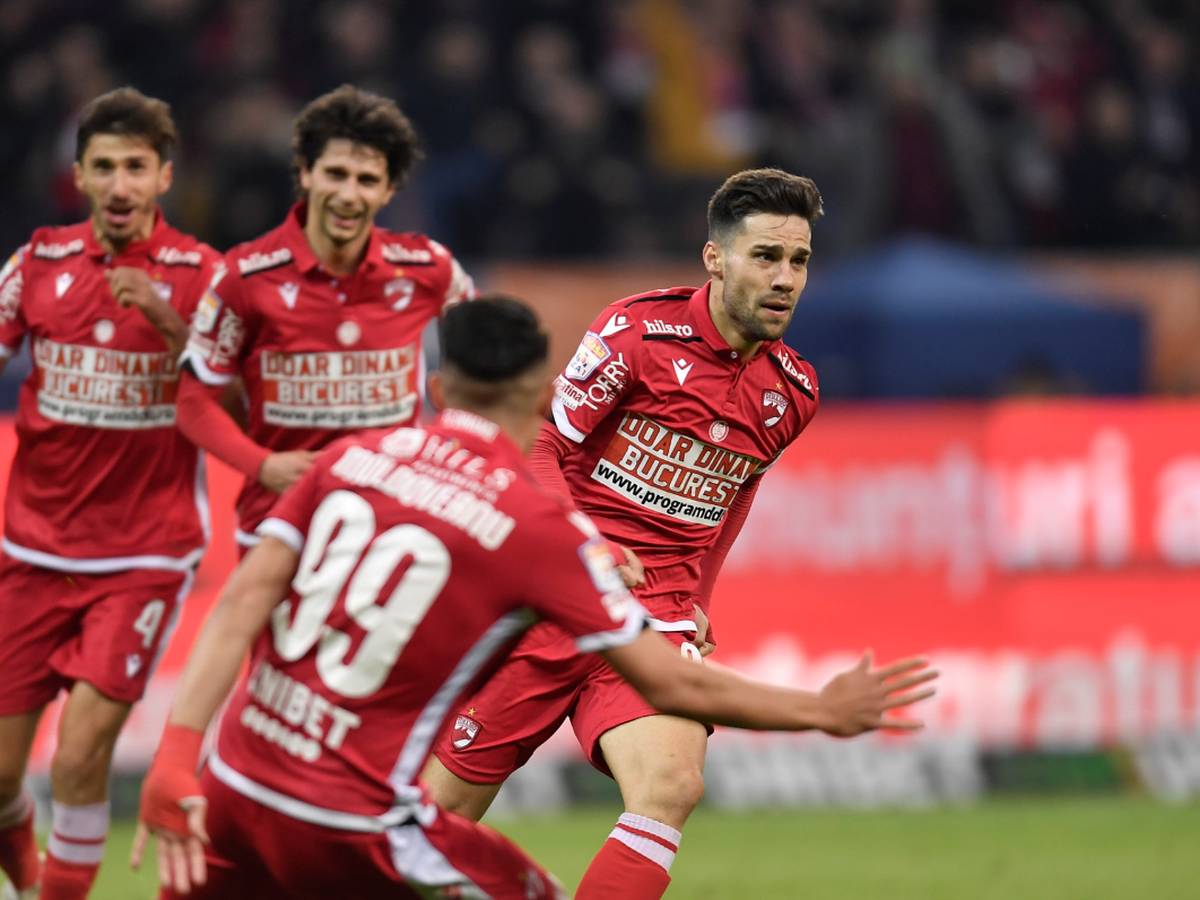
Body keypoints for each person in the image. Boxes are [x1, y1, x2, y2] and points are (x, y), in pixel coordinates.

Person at [132, 296, 936, 899]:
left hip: (234, 781)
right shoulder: (534, 529)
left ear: (438, 386)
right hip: (356, 819)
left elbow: (238, 606)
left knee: (666, 784)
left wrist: (173, 762)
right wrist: (820, 710)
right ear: (543, 395)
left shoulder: (350, 459)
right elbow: (672, 681)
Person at [422, 168, 835, 899]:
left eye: (798, 261)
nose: (784, 279)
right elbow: (542, 443)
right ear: (715, 258)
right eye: (766, 256)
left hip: (654, 616)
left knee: (672, 785)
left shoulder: (792, 392)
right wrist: (583, 544)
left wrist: (699, 598)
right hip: (548, 599)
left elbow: (736, 492)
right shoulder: (638, 333)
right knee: (431, 824)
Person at [0, 87, 221, 900]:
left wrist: (172, 326)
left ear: (164, 177)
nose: (120, 184)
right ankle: (30, 873)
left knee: (80, 756)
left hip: (143, 556)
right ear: (80, 175)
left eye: (136, 166)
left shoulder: (204, 277)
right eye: (104, 167)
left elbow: (241, 399)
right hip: (31, 551)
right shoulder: (36, 264)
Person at [177, 84, 474, 553]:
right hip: (277, 527)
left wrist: (447, 450)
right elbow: (192, 402)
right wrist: (262, 466)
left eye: (366, 180)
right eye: (335, 174)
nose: (348, 194)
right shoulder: (244, 277)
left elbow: (485, 369)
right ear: (305, 173)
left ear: (389, 190)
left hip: (388, 532)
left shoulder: (429, 269)